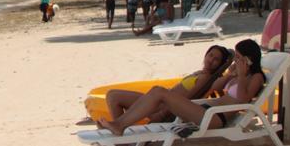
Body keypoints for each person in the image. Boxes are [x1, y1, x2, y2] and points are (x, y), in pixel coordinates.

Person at [98, 39, 267, 136]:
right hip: (205, 110)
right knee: (157, 91)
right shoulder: (237, 75)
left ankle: (119, 125)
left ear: (249, 59)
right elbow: (215, 87)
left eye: (239, 57)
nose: (236, 61)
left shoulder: (256, 77)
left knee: (159, 92)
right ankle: (119, 124)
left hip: (215, 118)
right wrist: (231, 74)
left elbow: (244, 100)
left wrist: (243, 75)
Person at [104, 44, 233, 124]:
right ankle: (118, 128)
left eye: (216, 60)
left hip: (161, 106)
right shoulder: (201, 73)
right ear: (206, 55)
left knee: (114, 97)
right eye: (210, 55)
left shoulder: (205, 78)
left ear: (220, 65)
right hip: (158, 101)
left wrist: (161, 114)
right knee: (111, 95)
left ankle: (118, 131)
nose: (211, 60)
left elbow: (187, 100)